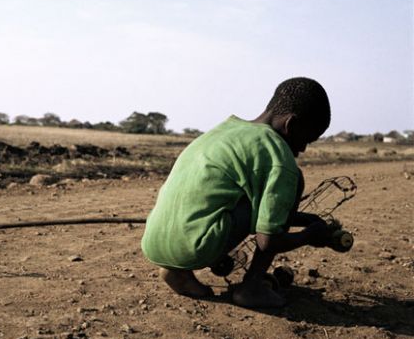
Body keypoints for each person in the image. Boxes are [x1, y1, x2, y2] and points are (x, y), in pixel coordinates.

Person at [141, 77, 333, 308]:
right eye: (306, 139)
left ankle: (177, 272)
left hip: (154, 242)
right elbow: (269, 240)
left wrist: (306, 220)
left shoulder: (224, 130)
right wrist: (310, 235)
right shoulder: (279, 156)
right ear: (291, 124)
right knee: (294, 182)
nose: (302, 149)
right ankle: (252, 288)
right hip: (197, 247)